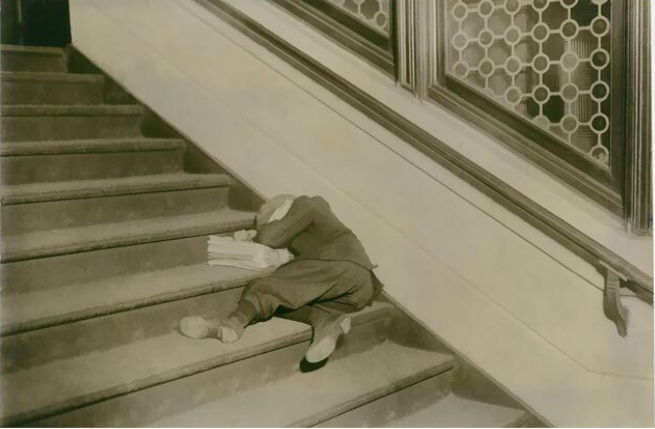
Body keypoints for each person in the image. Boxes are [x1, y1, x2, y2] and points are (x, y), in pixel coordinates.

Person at [179, 194, 383, 364]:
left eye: (271, 220)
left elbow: (270, 238)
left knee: (269, 287)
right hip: (357, 293)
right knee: (295, 307)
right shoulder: (322, 225)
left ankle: (233, 322)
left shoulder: (307, 203)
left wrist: (255, 236)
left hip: (340, 266)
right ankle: (328, 328)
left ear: (283, 210)